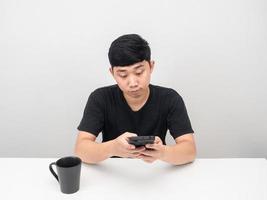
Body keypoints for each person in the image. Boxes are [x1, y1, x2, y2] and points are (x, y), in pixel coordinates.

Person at [74, 34, 196, 165]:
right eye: (123, 75)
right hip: (113, 172)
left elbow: (189, 151)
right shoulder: (100, 98)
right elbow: (80, 150)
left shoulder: (170, 98)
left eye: (139, 72)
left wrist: (163, 152)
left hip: (156, 170)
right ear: (112, 73)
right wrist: (112, 148)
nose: (133, 83)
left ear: (151, 66)